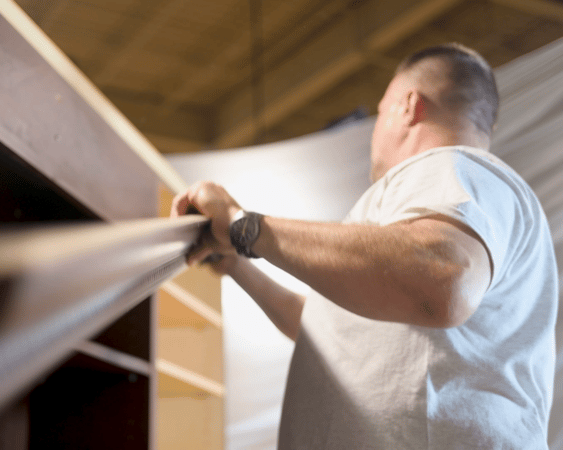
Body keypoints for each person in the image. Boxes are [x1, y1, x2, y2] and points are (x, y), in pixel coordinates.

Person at [171, 43, 558, 449]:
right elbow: (328, 331)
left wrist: (241, 224)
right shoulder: (458, 199)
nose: (374, 132)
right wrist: (237, 265)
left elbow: (443, 279)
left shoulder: (451, 167)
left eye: (381, 109)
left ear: (408, 106)